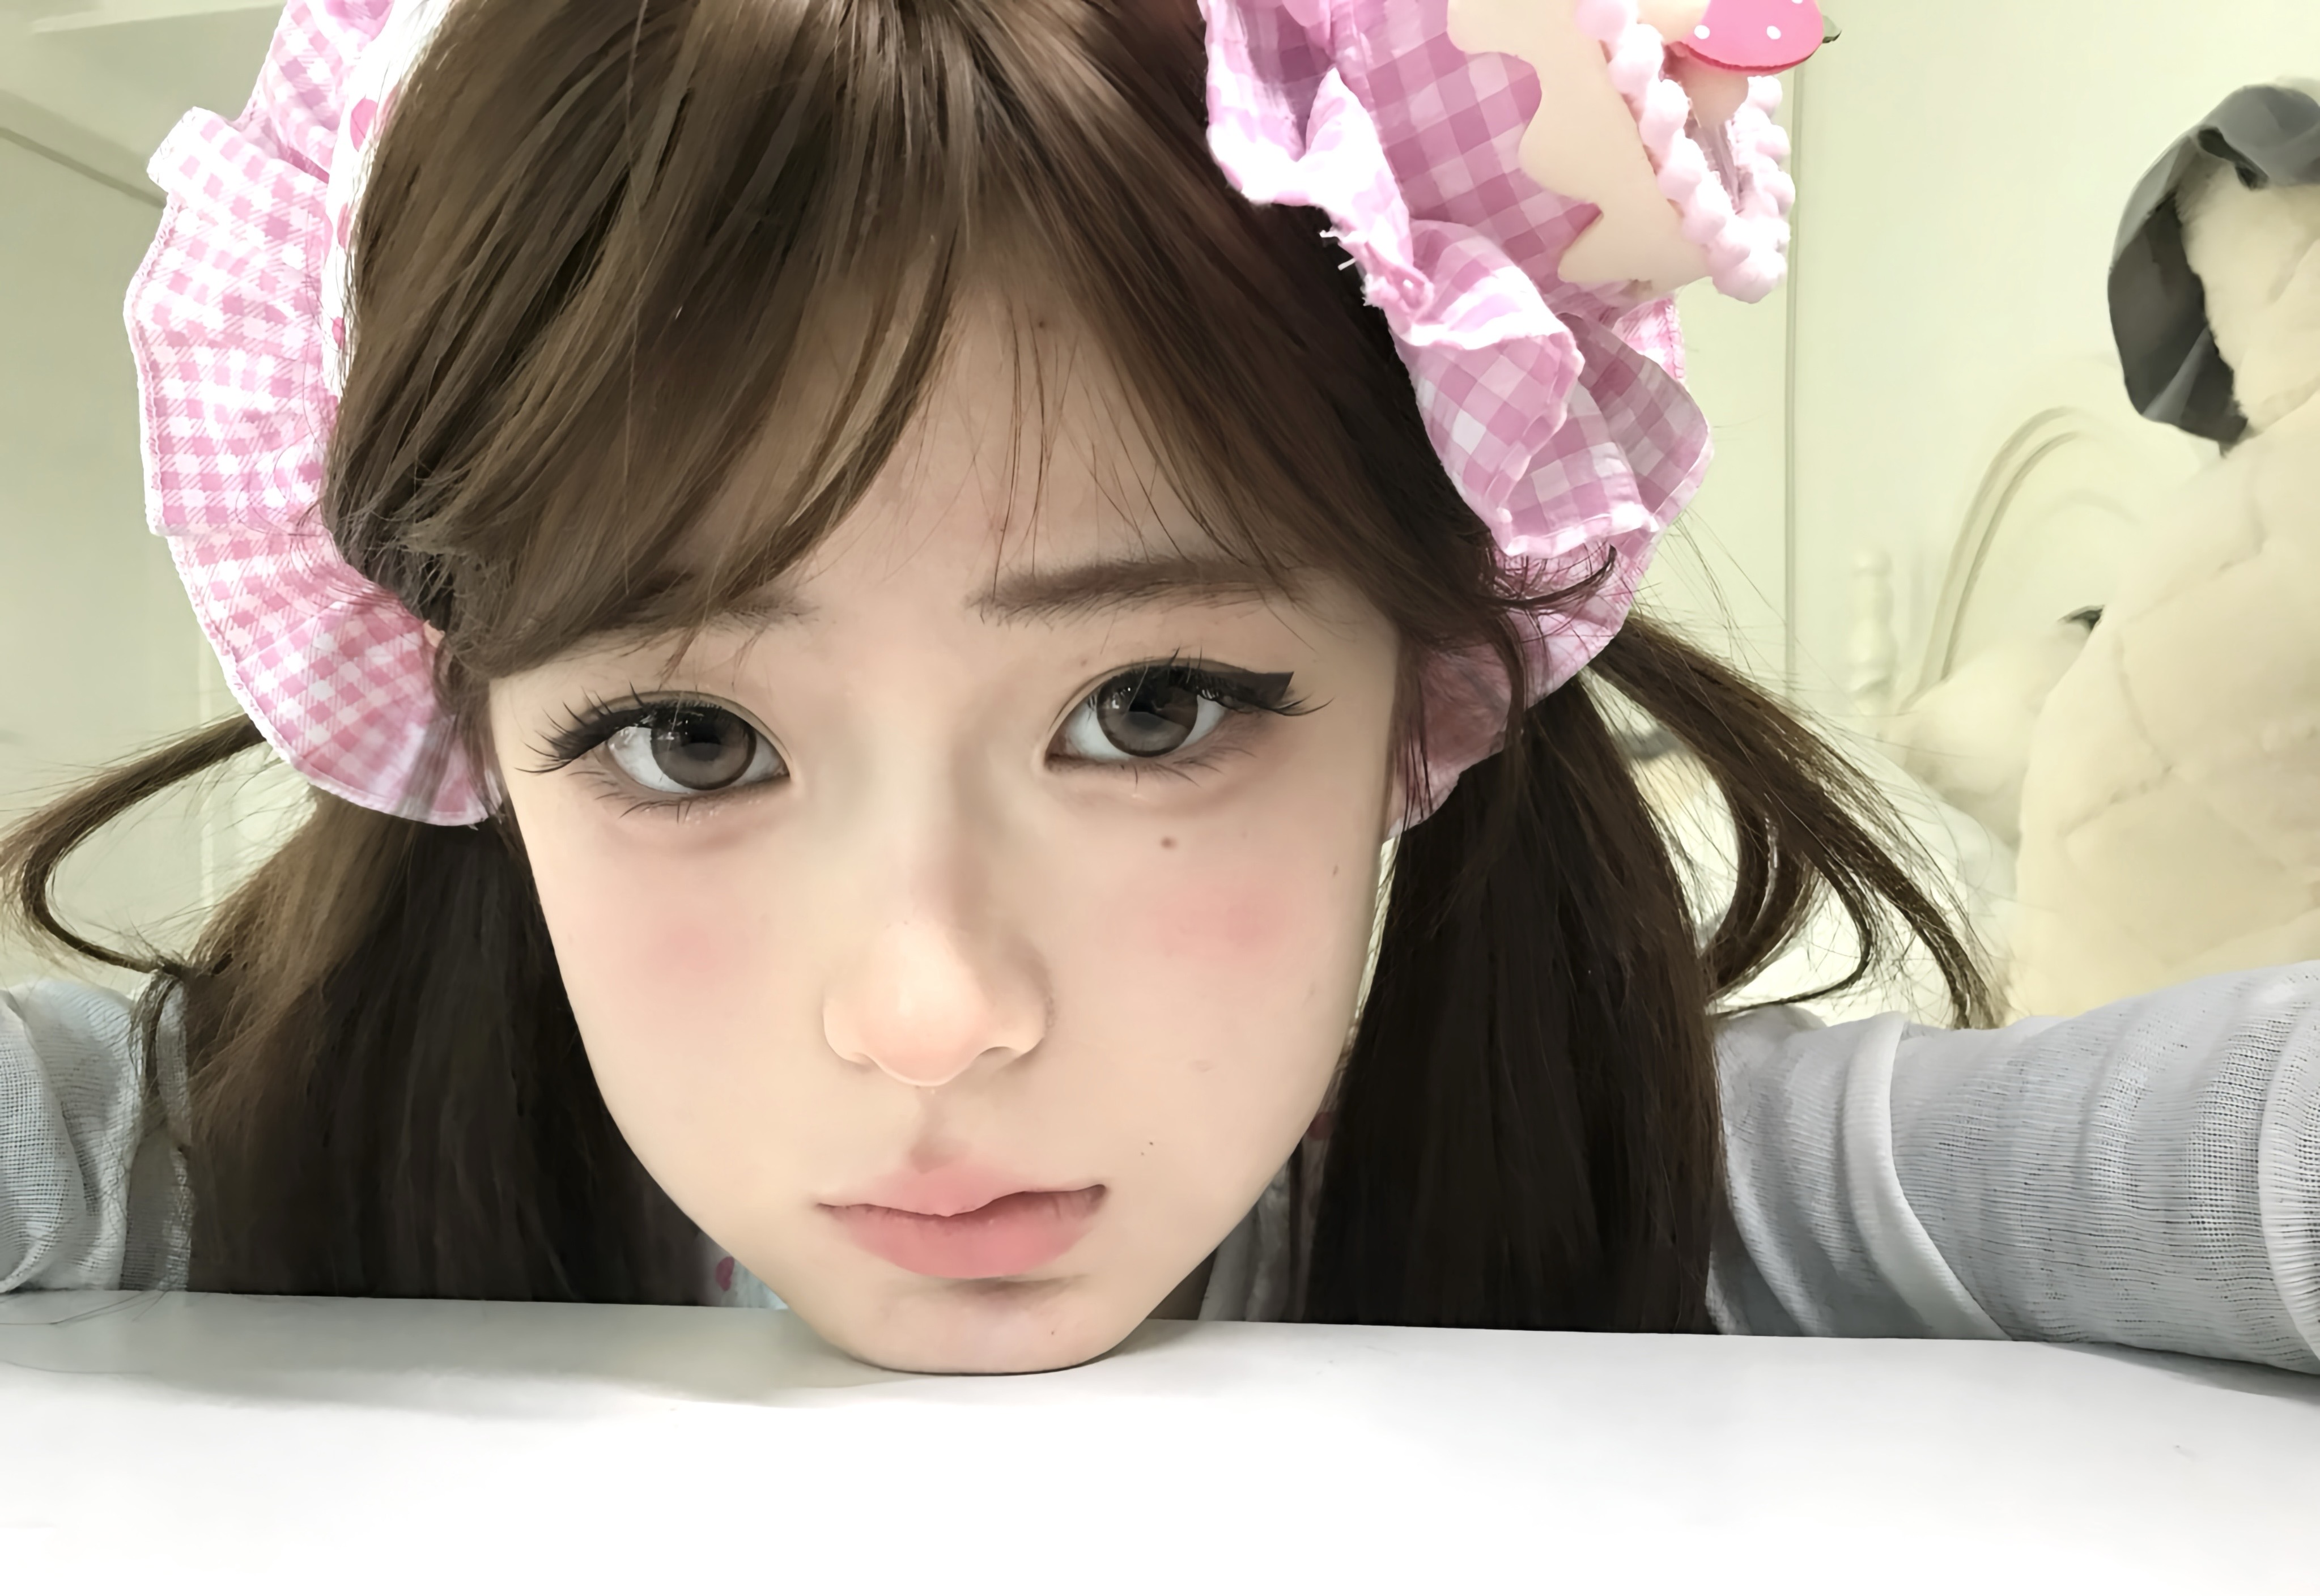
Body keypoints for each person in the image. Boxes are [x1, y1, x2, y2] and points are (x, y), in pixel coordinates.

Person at [2, 0, 2314, 1381]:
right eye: (689, 739)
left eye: (1151, 710)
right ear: (463, 723)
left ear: (1435, 677)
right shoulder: (249, 1153)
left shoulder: (1648, 1184)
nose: (929, 1017)